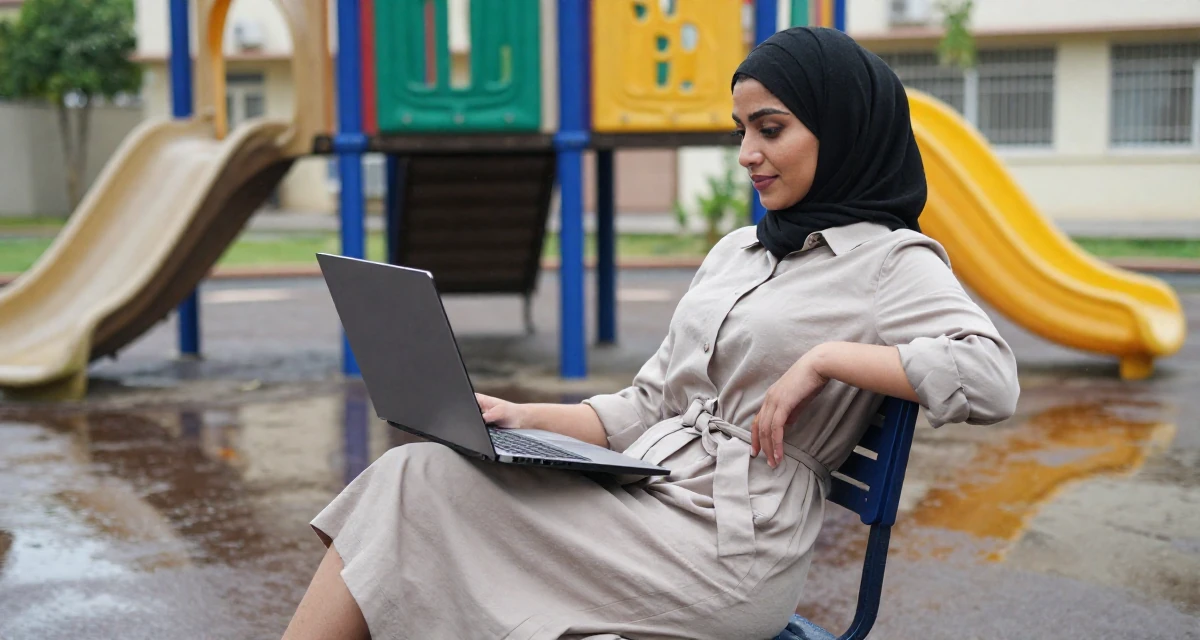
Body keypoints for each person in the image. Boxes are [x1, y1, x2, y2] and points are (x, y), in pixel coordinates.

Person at [282, 27, 1020, 640]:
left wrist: (828, 359)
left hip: (727, 549)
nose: (747, 154)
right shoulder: (740, 251)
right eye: (741, 131)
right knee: (419, 475)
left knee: (423, 499)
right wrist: (519, 417)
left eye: (771, 130)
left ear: (844, 128)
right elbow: (647, 405)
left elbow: (991, 379)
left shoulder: (891, 262)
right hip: (648, 496)